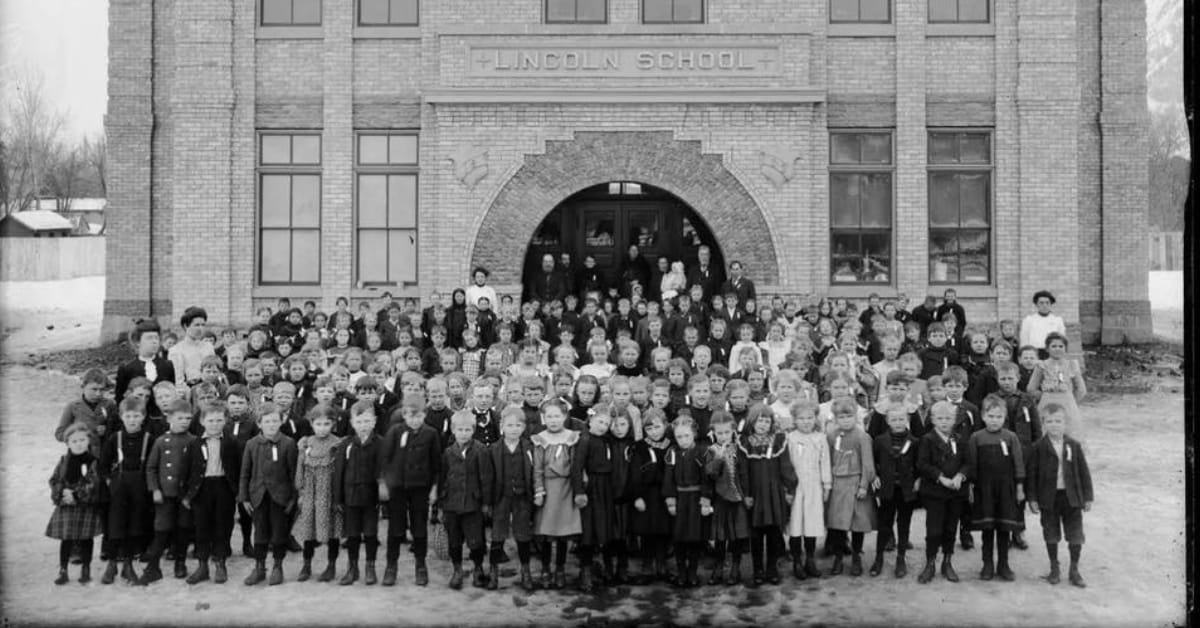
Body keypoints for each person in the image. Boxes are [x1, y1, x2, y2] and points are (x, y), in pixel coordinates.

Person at [1026, 404, 1093, 588]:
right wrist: (1031, 498)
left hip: (1071, 498)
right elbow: (1031, 475)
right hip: (1048, 498)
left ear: (1065, 423)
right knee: (1051, 532)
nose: (1054, 425)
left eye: (1058, 421)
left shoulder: (1073, 445)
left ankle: (1074, 569)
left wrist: (1088, 497)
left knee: (1075, 534)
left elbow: (1084, 472)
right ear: (1043, 423)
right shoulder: (1038, 447)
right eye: (1050, 421)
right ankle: (1054, 567)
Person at [378, 396, 441, 587]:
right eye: (410, 416)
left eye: (419, 416)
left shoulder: (431, 434)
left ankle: (420, 566)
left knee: (419, 528)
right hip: (397, 488)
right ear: (404, 415)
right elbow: (385, 459)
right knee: (396, 529)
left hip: (420, 488)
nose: (415, 420)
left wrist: (434, 488)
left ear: (425, 415)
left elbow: (436, 464)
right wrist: (383, 483)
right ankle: (391, 567)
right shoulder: (395, 432)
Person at [964, 394, 1026, 582]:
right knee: (988, 528)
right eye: (990, 416)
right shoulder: (976, 438)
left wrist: (1020, 487)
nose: (994, 420)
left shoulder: (1011, 437)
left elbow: (1018, 463)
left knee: (1004, 527)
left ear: (1004, 417)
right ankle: (987, 564)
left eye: (998, 417)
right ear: (983, 416)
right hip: (985, 489)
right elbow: (972, 464)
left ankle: (1004, 565)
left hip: (1006, 489)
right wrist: (971, 487)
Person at [238, 402, 299, 586]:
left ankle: (277, 567)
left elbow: (294, 474)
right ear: (259, 423)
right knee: (260, 533)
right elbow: (245, 472)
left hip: (280, 498)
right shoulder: (251, 444)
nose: (271, 425)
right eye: (267, 421)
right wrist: (244, 497)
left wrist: (293, 499)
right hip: (258, 497)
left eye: (275, 421)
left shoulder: (288, 444)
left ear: (282, 422)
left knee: (279, 534)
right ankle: (259, 567)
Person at [98, 397, 156, 585]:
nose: (132, 420)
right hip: (118, 489)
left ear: (143, 417)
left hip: (140, 489)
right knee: (116, 526)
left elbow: (154, 465)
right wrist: (109, 481)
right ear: (122, 417)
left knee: (135, 526)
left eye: (136, 416)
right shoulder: (115, 438)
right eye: (128, 416)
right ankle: (113, 563)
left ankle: (128, 565)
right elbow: (103, 465)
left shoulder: (149, 439)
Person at [138, 400, 196, 585]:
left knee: (184, 529)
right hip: (165, 495)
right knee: (161, 530)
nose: (184, 422)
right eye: (180, 418)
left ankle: (180, 563)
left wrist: (190, 495)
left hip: (185, 497)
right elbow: (151, 468)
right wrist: (154, 489)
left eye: (188, 418)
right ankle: (153, 567)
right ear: (169, 418)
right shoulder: (161, 441)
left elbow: (196, 472)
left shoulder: (193, 441)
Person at [184, 400, 241, 585]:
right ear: (202, 421)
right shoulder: (194, 443)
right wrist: (186, 494)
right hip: (202, 489)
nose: (215, 424)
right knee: (201, 527)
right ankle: (202, 565)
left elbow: (238, 468)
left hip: (224, 487)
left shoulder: (232, 442)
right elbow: (187, 470)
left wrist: (238, 492)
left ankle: (220, 563)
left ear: (225, 421)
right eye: (211, 420)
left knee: (222, 526)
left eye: (219, 420)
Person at [739, 404, 796, 586]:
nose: (763, 424)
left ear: (772, 423)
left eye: (766, 421)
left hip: (774, 492)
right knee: (756, 534)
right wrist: (746, 494)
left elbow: (786, 467)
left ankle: (772, 568)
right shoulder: (745, 442)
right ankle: (757, 570)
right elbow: (743, 471)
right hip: (755, 493)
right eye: (759, 421)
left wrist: (789, 489)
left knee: (773, 532)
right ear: (752, 422)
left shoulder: (779, 440)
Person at [483, 407, 537, 591]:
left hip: (522, 497)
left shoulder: (529, 447)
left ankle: (526, 571)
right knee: (498, 535)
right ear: (502, 426)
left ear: (523, 427)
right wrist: (488, 502)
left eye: (518, 425)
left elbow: (534, 473)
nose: (513, 429)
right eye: (509, 425)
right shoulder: (494, 449)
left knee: (523, 535)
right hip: (501, 498)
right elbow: (488, 477)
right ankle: (493, 572)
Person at [915, 401, 969, 584]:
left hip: (955, 492)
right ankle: (930, 563)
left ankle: (947, 561)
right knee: (934, 529)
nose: (944, 422)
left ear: (954, 420)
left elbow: (968, 462)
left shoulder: (960, 439)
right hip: (935, 492)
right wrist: (941, 478)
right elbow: (922, 464)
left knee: (950, 527)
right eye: (940, 418)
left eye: (948, 418)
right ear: (932, 419)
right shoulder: (927, 440)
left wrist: (960, 476)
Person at [532, 400, 583, 589]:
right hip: (547, 488)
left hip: (566, 488)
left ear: (564, 417)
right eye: (549, 416)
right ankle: (546, 568)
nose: (553, 420)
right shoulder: (540, 439)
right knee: (546, 532)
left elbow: (577, 465)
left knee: (562, 532)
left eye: (557, 416)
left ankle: (560, 568)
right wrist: (539, 491)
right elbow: (536, 468)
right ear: (544, 418)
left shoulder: (572, 438)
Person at [46, 422, 105, 585]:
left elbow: (93, 482)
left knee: (86, 539)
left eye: (82, 440)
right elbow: (54, 479)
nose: (78, 444)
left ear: (88, 441)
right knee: (67, 538)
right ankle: (63, 570)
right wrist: (62, 492)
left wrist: (76, 495)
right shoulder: (64, 460)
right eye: (74, 441)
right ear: (68, 443)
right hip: (66, 505)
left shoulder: (93, 461)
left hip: (85, 505)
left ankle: (86, 568)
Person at [824, 397, 877, 577]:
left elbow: (867, 463)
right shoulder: (831, 435)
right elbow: (828, 459)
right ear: (835, 418)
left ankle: (856, 556)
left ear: (855, 416)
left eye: (849, 416)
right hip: (838, 484)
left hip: (855, 484)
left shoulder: (862, 436)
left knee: (858, 523)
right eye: (841, 417)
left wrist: (864, 485)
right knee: (838, 524)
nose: (845, 420)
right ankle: (838, 557)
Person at [332, 401, 383, 586]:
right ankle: (352, 568)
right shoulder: (346, 444)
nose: (363, 425)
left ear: (375, 421)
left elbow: (383, 471)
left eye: (367, 421)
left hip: (371, 498)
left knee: (370, 533)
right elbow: (339, 472)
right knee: (352, 534)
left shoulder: (380, 444)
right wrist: (338, 498)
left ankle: (370, 567)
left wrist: (382, 496)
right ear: (352, 422)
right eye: (359, 421)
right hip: (350, 497)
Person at [440, 410, 491, 589]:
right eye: (460, 429)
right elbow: (442, 478)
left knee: (475, 540)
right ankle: (457, 569)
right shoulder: (447, 452)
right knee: (454, 540)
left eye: (467, 430)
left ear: (473, 430)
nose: (463, 433)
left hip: (473, 504)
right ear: (453, 430)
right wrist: (440, 503)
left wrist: (485, 503)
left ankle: (478, 568)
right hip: (451, 504)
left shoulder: (480, 450)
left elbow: (486, 478)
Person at [291, 405, 343, 583]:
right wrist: (301, 492)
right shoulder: (306, 443)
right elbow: (300, 469)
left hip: (329, 495)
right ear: (311, 424)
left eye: (326, 423)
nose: (322, 428)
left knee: (333, 531)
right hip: (310, 495)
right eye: (318, 424)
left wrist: (338, 497)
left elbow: (340, 473)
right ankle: (306, 564)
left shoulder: (338, 444)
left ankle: (331, 565)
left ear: (333, 424)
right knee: (308, 531)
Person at [869, 404, 919, 579]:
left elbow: (918, 465)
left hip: (906, 490)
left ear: (907, 420)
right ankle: (879, 558)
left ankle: (901, 558)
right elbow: (874, 461)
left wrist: (917, 480)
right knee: (885, 524)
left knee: (904, 524)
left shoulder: (914, 441)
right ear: (887, 421)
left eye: (901, 419)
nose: (898, 422)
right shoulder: (880, 441)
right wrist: (874, 475)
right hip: (887, 489)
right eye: (894, 419)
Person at [573, 405, 619, 592]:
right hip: (591, 487)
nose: (602, 426)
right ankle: (585, 571)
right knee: (589, 530)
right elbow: (577, 467)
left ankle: (607, 568)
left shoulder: (607, 440)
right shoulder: (585, 440)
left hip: (606, 487)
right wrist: (579, 491)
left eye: (606, 424)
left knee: (605, 527)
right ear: (590, 421)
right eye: (600, 421)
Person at [662, 416, 710, 588]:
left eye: (686, 436)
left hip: (696, 499)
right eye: (679, 437)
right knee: (679, 537)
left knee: (695, 537)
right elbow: (668, 479)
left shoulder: (702, 452)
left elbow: (706, 478)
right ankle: (681, 571)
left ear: (694, 435)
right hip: (680, 499)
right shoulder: (672, 453)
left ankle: (692, 572)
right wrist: (670, 500)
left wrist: (705, 500)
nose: (683, 440)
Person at [628, 408, 674, 583]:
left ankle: (661, 565)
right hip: (647, 495)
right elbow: (634, 473)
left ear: (665, 425)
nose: (654, 432)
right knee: (647, 531)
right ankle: (647, 566)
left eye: (657, 427)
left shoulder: (670, 445)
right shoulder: (640, 447)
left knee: (663, 530)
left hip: (665, 494)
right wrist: (637, 496)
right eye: (649, 429)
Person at [703, 411, 749, 585]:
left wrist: (747, 495)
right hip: (720, 500)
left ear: (733, 431)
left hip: (738, 499)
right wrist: (719, 458)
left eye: (726, 432)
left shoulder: (739, 449)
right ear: (713, 433)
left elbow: (744, 473)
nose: (723, 436)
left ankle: (735, 568)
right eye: (719, 433)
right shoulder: (712, 451)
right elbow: (709, 474)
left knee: (736, 536)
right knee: (720, 537)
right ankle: (718, 567)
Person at [785, 401, 830, 580]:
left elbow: (825, 463)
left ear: (815, 419)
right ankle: (797, 561)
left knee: (812, 523)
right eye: (801, 418)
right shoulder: (790, 438)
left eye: (810, 418)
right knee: (796, 525)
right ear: (794, 420)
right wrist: (786, 488)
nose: (806, 422)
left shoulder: (820, 438)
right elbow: (785, 465)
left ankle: (810, 559)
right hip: (796, 486)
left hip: (813, 486)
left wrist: (827, 485)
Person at [1028, 332, 1088, 443]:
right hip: (1047, 404)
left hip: (1068, 406)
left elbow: (1081, 389)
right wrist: (1045, 396)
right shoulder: (1042, 365)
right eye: (1054, 346)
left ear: (1065, 348)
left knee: (1069, 435)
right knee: (1047, 433)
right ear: (1047, 349)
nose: (1057, 349)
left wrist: (1070, 400)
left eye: (1061, 346)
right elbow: (1031, 388)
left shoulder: (1071, 364)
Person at [115, 320, 177, 410]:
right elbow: (120, 399)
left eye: (156, 338)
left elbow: (171, 393)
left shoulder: (167, 365)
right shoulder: (127, 368)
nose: (154, 341)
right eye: (149, 338)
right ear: (138, 342)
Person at [56, 368, 119, 445]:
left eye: (102, 390)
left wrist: (107, 431)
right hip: (80, 453)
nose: (98, 394)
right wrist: (78, 435)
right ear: (83, 386)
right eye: (94, 389)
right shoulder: (72, 406)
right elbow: (59, 434)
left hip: (105, 453)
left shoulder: (110, 405)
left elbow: (119, 430)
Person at [170, 306, 217, 389]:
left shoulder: (208, 347)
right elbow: (178, 380)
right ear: (185, 326)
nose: (200, 328)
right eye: (196, 325)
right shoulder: (176, 350)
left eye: (203, 325)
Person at [1020, 290, 1067, 359]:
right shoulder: (1028, 320)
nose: (1044, 305)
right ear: (1036, 304)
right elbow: (1024, 340)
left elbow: (1062, 340)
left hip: (1052, 354)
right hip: (1034, 354)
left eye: (1047, 303)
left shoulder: (1058, 320)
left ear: (1051, 304)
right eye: (1041, 303)